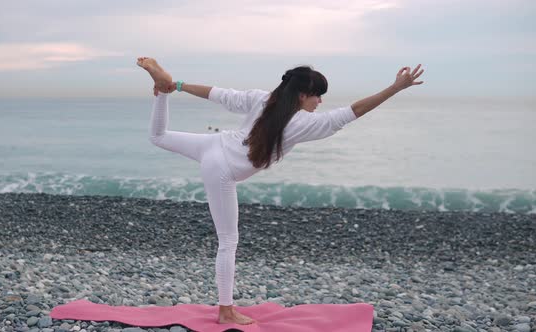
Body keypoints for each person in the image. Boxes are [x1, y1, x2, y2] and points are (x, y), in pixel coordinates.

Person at [137, 57, 424, 325]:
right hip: (221, 169)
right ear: (302, 95)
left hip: (213, 146)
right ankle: (225, 311)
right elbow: (353, 112)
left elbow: (218, 94)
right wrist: (395, 88)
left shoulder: (262, 98)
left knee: (157, 136)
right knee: (228, 240)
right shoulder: (301, 123)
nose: (320, 101)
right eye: (317, 95)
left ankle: (162, 89)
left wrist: (175, 86)